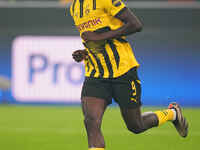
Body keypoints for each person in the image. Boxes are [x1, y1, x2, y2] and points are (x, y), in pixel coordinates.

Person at [69, 0, 189, 150]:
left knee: (135, 125)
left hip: (123, 71)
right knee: (91, 121)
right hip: (96, 73)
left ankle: (172, 114)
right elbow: (92, 38)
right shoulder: (74, 7)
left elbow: (135, 24)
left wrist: (103, 37)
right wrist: (85, 53)